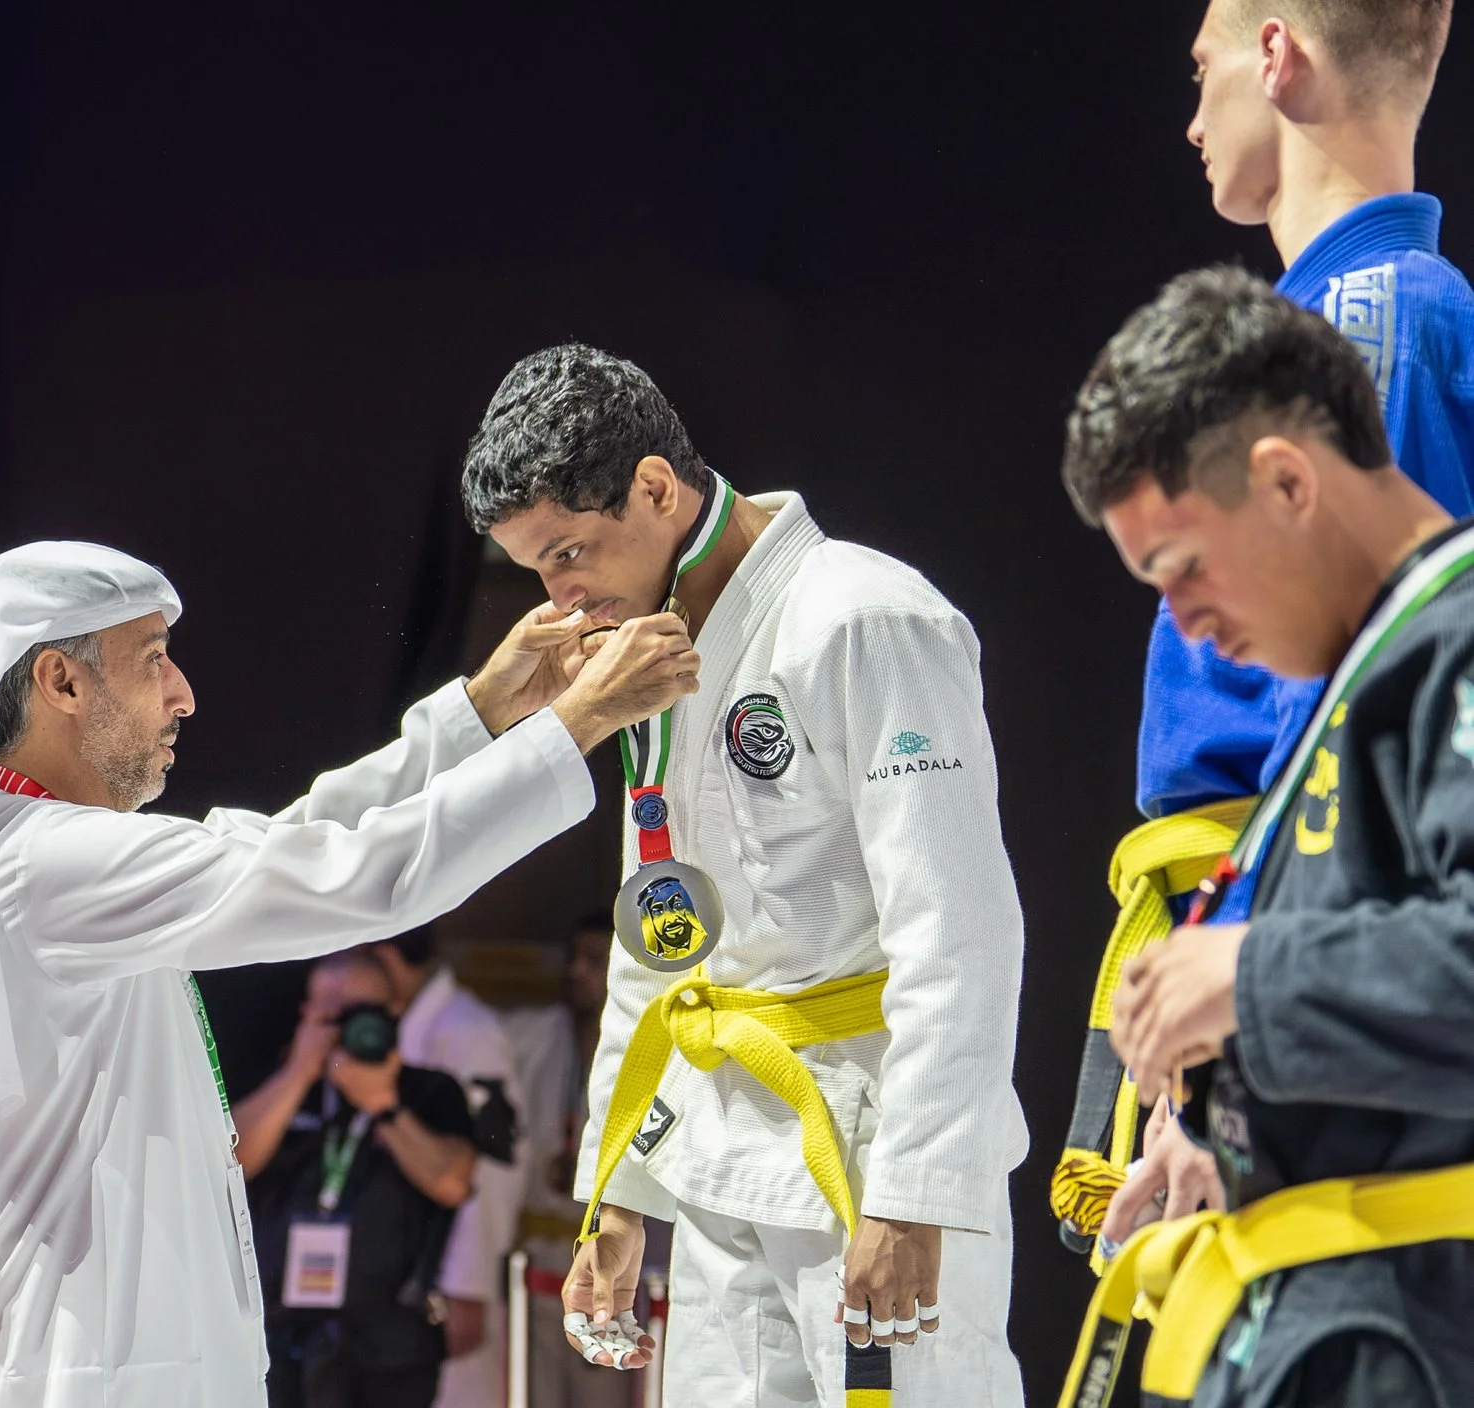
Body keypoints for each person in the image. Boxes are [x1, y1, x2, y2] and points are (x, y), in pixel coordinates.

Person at [0, 540, 701, 1407]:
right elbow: (352, 876)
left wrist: (479, 716)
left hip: (118, 1361)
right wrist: (578, 722)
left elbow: (298, 839)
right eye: (153, 658)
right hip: (84, 1372)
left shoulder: (43, 850)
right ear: (60, 680)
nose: (184, 694)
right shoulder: (44, 864)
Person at [463, 344, 1029, 1406]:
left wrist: (914, 1192)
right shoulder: (656, 656)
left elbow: (959, 931)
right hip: (720, 1156)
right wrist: (616, 1189)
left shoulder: (862, 617)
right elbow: (662, 935)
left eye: (570, 551)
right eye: (535, 565)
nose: (558, 593)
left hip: (866, 1149)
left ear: (655, 488)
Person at [1057, 0, 1474, 1250]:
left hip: (1297, 940)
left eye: (1203, 70)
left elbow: (1365, 699)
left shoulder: (1368, 317)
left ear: (1277, 52)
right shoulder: (1340, 316)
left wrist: (1241, 1034)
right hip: (1255, 932)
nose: (1190, 119)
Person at [1057, 266, 1474, 1408]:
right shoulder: (1356, 680)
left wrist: (1246, 972)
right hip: (1314, 1321)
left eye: (1179, 568)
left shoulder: (1457, 642)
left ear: (1286, 480)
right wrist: (1231, 1136)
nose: (1182, 621)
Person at [236, 950, 480, 1408]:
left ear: (394, 1013)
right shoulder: (273, 1080)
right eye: (332, 1014)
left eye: (361, 1013)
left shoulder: (430, 1091)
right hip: (277, 1338)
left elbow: (452, 1183)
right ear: (307, 1014)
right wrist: (299, 1072)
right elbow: (229, 1167)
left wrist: (383, 1104)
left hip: (391, 1343)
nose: (346, 1028)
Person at [497, 912, 648, 1408]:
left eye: (595, 960)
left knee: (605, 1392)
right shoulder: (539, 1034)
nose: (577, 973)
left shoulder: (650, 1046)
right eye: (574, 959)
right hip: (538, 1254)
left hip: (622, 1260)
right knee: (531, 1390)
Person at [368, 926, 523, 1408]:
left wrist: (467, 1285)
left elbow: (495, 1166)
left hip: (451, 1287)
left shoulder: (464, 1030)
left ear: (386, 959)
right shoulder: (419, 1022)